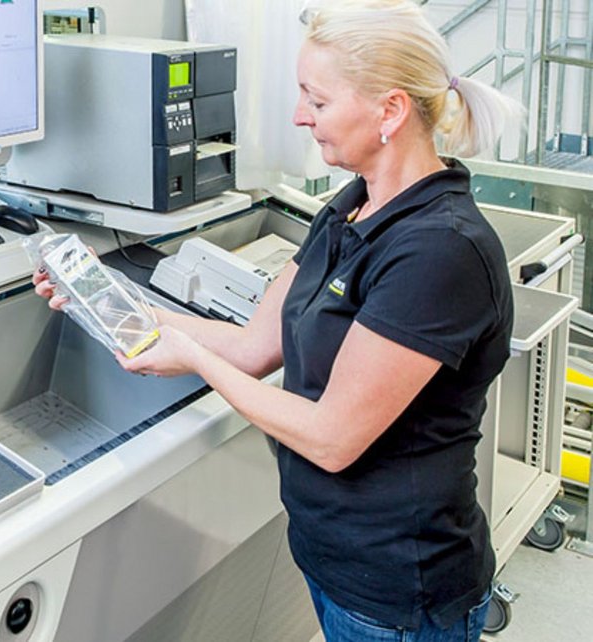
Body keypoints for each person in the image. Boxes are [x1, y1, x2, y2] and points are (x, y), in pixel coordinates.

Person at [33, 1, 523, 640]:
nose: (299, 116)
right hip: (333, 558)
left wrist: (191, 355)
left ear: (391, 111)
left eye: (316, 101)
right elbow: (256, 345)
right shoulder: (351, 206)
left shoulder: (439, 250)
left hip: (400, 591)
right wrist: (113, 304)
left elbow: (331, 436)